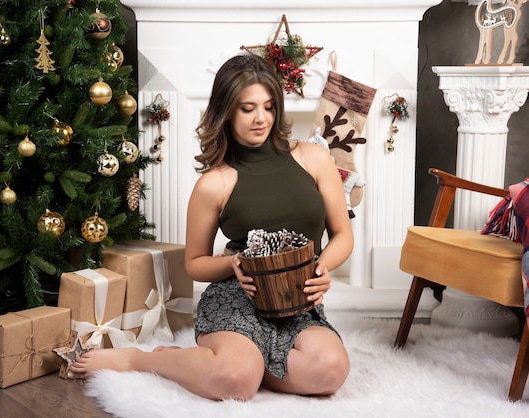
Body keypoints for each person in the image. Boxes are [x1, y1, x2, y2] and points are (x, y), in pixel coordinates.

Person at [69, 53, 354, 401]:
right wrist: (233, 264)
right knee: (235, 379)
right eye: (247, 108)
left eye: (268, 106)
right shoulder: (215, 183)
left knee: (330, 372)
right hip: (237, 297)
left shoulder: (314, 158)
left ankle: (236, 362)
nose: (260, 118)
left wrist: (321, 269)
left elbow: (342, 235)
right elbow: (195, 263)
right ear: (227, 110)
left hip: (296, 299)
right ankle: (140, 360)